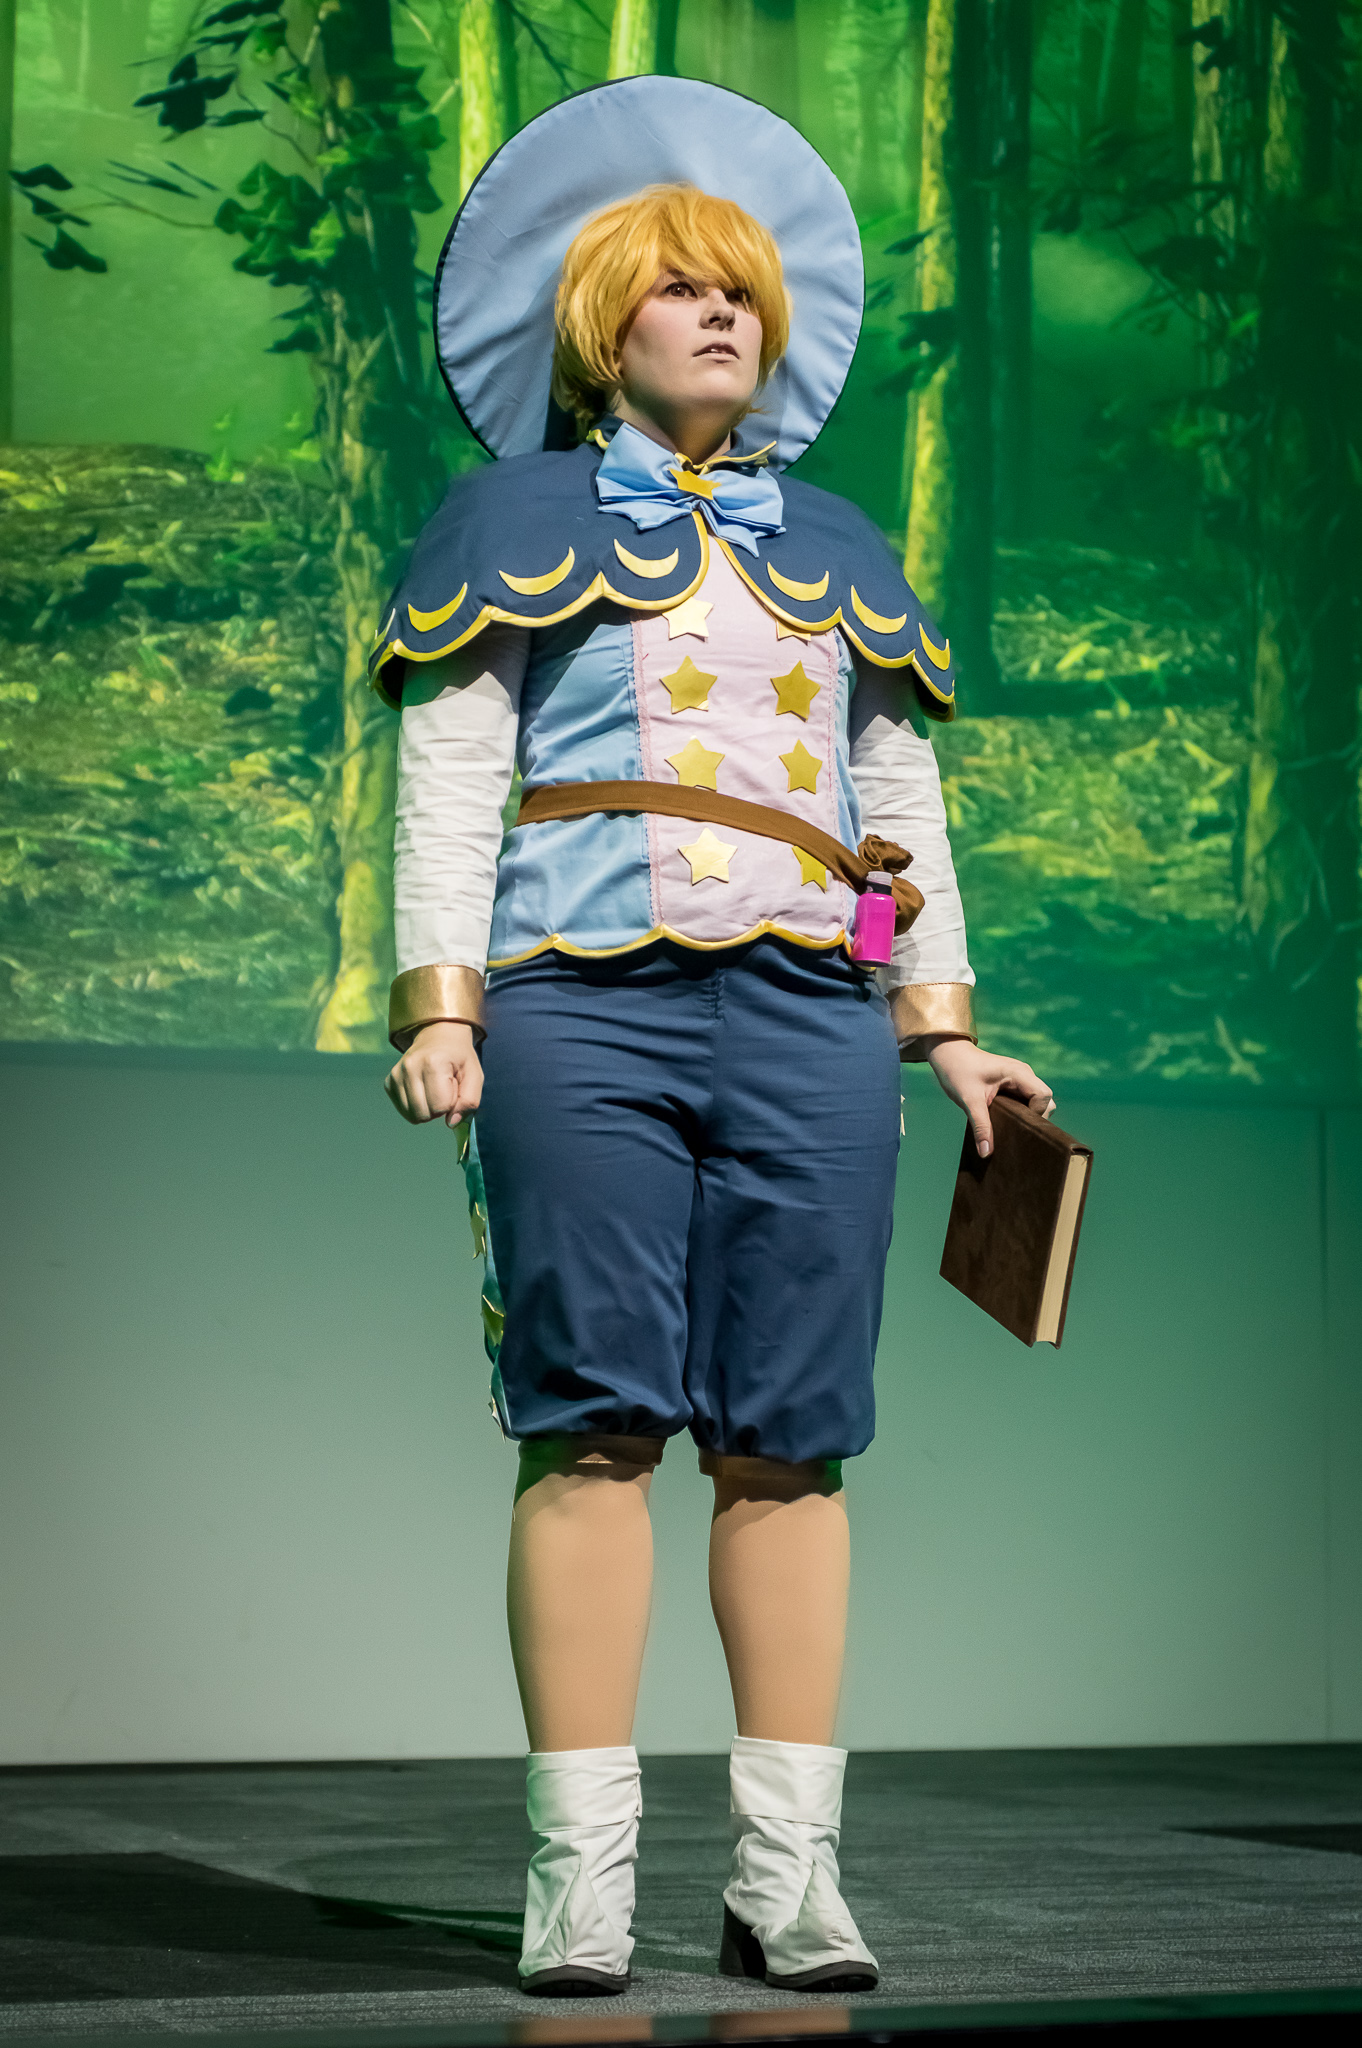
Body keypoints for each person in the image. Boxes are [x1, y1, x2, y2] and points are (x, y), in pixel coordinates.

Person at [377, 80, 1053, 2000]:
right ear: (603, 326)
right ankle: (579, 1884)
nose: (718, 314)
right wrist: (443, 999)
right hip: (578, 1001)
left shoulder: (832, 538)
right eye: (678, 288)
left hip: (808, 1017)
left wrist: (939, 1030)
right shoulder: (511, 518)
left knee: (791, 1441)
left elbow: (893, 803)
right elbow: (453, 770)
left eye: (740, 290)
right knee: (590, 1421)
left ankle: (786, 1880)